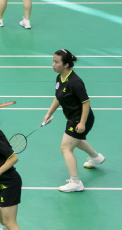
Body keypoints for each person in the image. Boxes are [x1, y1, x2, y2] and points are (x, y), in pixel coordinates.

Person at [44, 49, 105, 192]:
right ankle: (96, 157)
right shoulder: (60, 77)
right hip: (73, 118)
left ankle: (75, 182)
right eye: (53, 61)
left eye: (56, 62)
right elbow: (59, 97)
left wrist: (82, 122)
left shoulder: (75, 82)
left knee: (66, 147)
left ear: (66, 65)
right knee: (75, 140)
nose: (53, 64)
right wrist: (49, 113)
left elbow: (86, 102)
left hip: (81, 118)